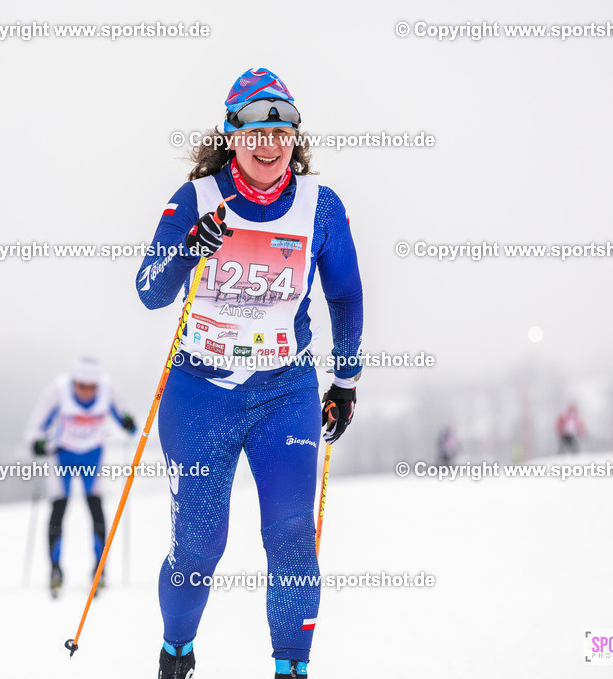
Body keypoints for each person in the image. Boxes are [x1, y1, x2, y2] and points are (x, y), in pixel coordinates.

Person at [136, 68, 363, 679]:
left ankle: (292, 668)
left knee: (291, 537)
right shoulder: (197, 199)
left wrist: (344, 380)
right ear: (232, 134)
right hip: (201, 390)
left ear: (295, 136)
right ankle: (176, 652)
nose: (270, 144)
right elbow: (149, 292)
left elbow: (344, 295)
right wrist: (189, 245)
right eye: (256, 130)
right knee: (200, 544)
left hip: (283, 389)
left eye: (281, 130)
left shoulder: (321, 205)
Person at [25, 358, 137, 598]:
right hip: (61, 456)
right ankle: (55, 570)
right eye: (81, 386)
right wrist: (36, 442)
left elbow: (127, 420)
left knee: (96, 509)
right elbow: (36, 424)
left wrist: (129, 423)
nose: (86, 392)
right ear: (74, 382)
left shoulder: (108, 389)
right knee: (59, 509)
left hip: (92, 456)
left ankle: (100, 570)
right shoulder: (58, 390)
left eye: (91, 387)